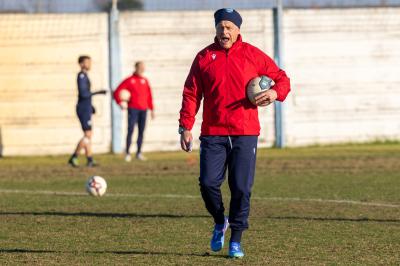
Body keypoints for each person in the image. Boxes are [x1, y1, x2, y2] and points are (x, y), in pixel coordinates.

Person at [178, 8, 291, 258]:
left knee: (241, 187)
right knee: (208, 183)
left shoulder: (252, 54)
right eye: (220, 26)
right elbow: (191, 93)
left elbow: (282, 79)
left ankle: (236, 240)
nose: (224, 31)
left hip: (245, 132)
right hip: (213, 132)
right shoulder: (204, 57)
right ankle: (220, 220)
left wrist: (275, 93)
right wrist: (186, 126)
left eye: (229, 27)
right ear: (215, 29)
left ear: (238, 30)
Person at [68, 55, 106, 167]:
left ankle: (89, 159)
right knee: (88, 135)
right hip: (83, 108)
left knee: (88, 134)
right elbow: (83, 94)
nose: (89, 64)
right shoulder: (81, 76)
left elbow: (86, 94)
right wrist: (98, 92)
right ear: (81, 64)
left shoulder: (85, 76)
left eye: (90, 62)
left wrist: (91, 106)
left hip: (86, 107)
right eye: (87, 62)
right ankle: (74, 156)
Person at [113, 61, 154, 162]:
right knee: (130, 130)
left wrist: (152, 109)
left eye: (143, 67)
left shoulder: (145, 80)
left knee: (141, 131)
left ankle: (139, 153)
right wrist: (120, 103)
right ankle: (127, 153)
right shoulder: (129, 80)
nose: (142, 69)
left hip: (144, 109)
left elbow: (149, 96)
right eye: (140, 67)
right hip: (133, 109)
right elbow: (116, 92)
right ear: (135, 68)